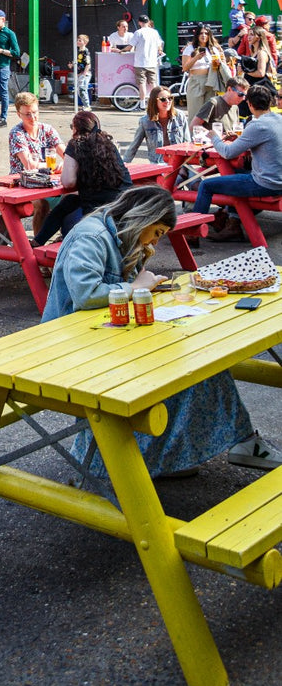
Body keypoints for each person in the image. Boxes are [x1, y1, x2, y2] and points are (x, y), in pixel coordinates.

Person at [41, 185, 281, 478]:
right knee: (181, 364)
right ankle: (132, 460)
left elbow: (123, 285)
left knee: (198, 360)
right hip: (74, 343)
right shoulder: (91, 236)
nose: (156, 240)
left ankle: (167, 456)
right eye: (157, 232)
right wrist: (135, 286)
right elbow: (86, 294)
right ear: (144, 218)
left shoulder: (123, 234)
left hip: (107, 332)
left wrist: (141, 270)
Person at [192, 84, 282, 241]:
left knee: (206, 185)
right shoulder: (279, 119)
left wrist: (214, 137)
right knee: (235, 175)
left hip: (267, 184)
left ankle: (192, 233)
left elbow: (227, 153)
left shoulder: (256, 125)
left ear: (249, 104)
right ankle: (232, 223)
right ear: (270, 102)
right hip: (278, 180)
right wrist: (241, 139)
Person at [31, 110, 131, 246]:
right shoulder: (109, 144)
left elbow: (68, 182)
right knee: (69, 202)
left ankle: (38, 242)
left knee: (63, 207)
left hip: (98, 208)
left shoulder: (75, 144)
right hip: (124, 202)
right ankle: (41, 241)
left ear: (76, 128)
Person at [123, 85, 189, 165]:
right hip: (159, 163)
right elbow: (134, 146)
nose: (167, 101)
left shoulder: (180, 116)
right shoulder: (145, 121)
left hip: (180, 162)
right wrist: (123, 165)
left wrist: (185, 165)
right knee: (173, 177)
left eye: (170, 98)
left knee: (196, 177)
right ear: (154, 101)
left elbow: (187, 143)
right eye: (163, 99)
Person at [8, 91, 64, 173]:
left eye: (34, 112)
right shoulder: (16, 133)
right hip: (21, 181)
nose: (32, 117)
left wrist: (66, 163)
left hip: (46, 177)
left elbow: (66, 154)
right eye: (27, 114)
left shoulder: (48, 130)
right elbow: (30, 165)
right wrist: (53, 166)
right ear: (19, 114)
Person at [181, 24, 224, 115]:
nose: (204, 35)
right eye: (201, 33)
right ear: (197, 35)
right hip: (196, 80)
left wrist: (218, 62)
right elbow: (185, 68)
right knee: (195, 112)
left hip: (211, 80)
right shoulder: (190, 49)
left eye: (206, 33)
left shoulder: (213, 49)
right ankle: (194, 129)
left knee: (209, 113)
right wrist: (196, 57)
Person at [130, 14, 163, 108]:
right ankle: (156, 103)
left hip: (140, 62)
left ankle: (142, 104)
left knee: (142, 84)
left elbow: (131, 45)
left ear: (139, 22)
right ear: (148, 22)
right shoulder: (154, 32)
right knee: (153, 84)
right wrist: (160, 50)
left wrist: (122, 50)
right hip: (152, 62)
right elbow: (159, 45)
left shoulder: (138, 32)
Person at [73, 34, 92, 110]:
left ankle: (87, 106)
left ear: (85, 42)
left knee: (82, 89)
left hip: (85, 74)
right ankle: (86, 105)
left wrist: (84, 74)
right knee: (80, 90)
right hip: (80, 74)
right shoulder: (78, 52)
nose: (77, 42)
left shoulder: (85, 52)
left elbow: (88, 63)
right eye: (77, 40)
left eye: (80, 40)